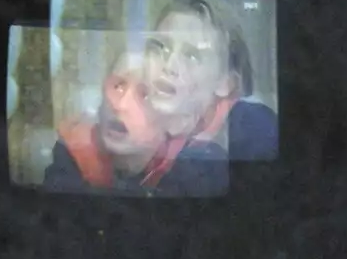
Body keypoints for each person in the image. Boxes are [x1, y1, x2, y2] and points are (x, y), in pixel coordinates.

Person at [40, 48, 229, 196]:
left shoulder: (201, 166)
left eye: (145, 94)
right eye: (118, 86)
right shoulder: (71, 154)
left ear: (173, 119)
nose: (120, 105)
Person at [144, 0, 280, 162]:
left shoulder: (257, 130)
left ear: (227, 83)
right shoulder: (139, 126)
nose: (169, 66)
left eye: (191, 56)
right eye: (160, 48)